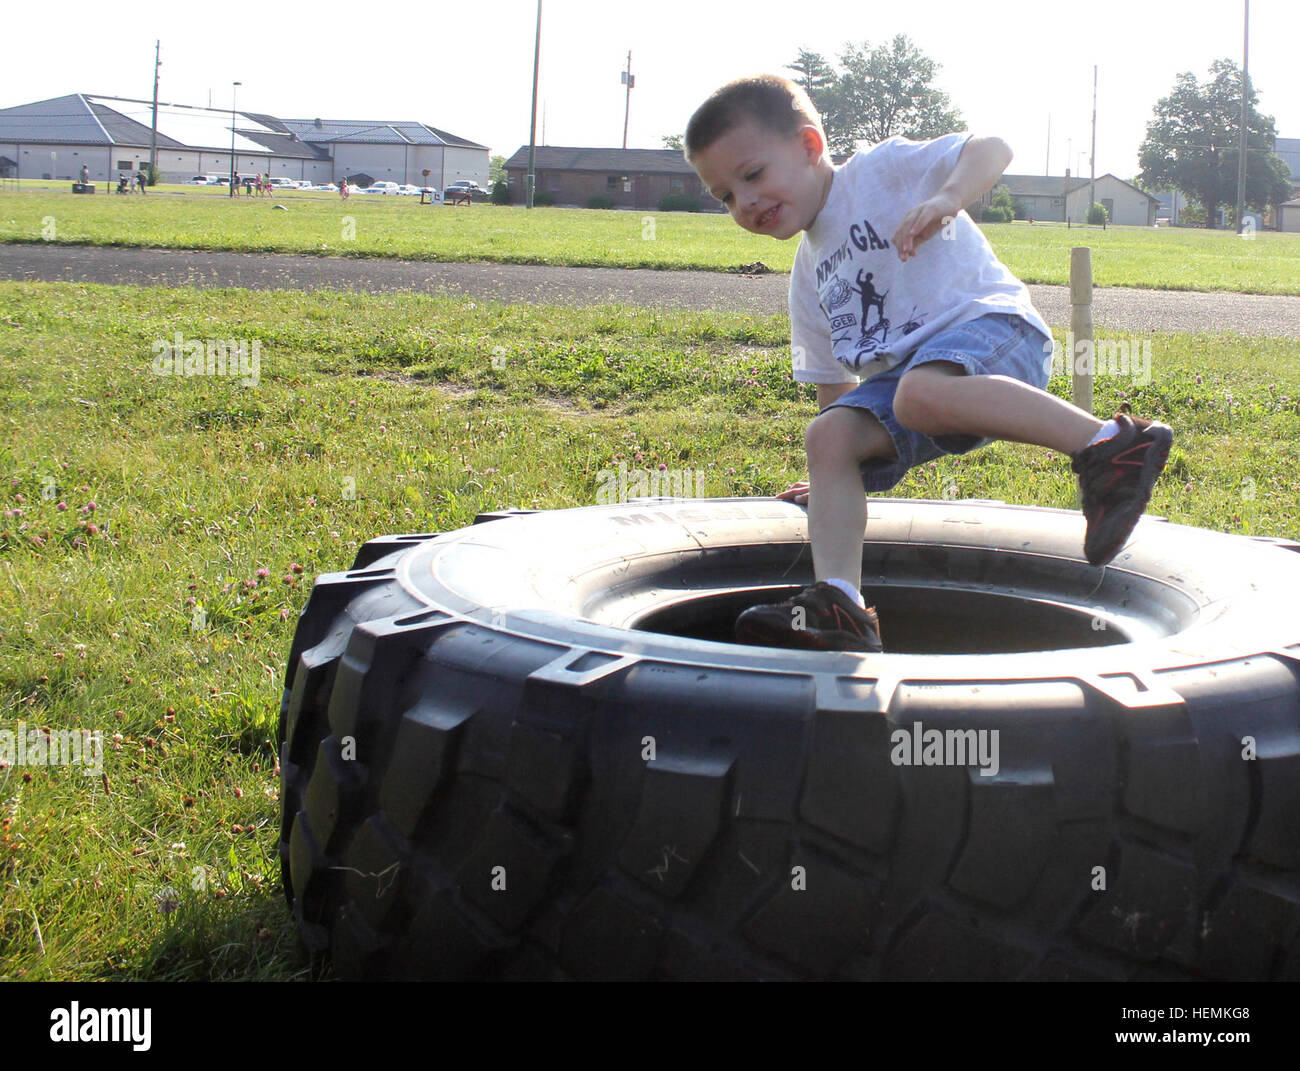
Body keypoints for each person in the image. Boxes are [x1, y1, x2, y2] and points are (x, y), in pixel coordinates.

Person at [683, 75, 1172, 652]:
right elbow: (835, 390)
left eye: (753, 175)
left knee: (916, 393)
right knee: (829, 434)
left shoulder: (879, 172)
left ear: (810, 147)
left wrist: (948, 197)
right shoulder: (810, 275)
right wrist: (837, 472)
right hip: (918, 387)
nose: (745, 202)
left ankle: (1112, 444)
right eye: (726, 196)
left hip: (993, 334)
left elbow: (993, 149)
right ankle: (839, 606)